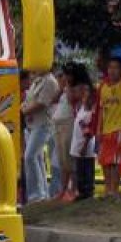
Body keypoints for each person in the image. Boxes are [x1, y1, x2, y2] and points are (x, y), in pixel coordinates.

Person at [97, 55, 121, 198]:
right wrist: (98, 130)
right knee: (106, 160)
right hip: (106, 129)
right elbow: (101, 110)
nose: (112, 70)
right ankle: (108, 190)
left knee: (116, 161)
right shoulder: (103, 87)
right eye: (110, 67)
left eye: (116, 68)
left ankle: (115, 190)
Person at [22, 69, 59, 203]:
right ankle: (42, 193)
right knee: (37, 158)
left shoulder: (49, 81)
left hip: (43, 124)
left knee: (29, 156)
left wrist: (24, 111)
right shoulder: (37, 81)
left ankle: (36, 195)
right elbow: (29, 100)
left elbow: (42, 103)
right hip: (33, 124)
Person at [49, 63, 78, 201]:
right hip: (58, 125)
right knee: (61, 159)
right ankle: (63, 189)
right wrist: (61, 87)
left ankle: (72, 189)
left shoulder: (75, 88)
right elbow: (52, 100)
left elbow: (73, 100)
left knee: (69, 157)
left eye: (65, 75)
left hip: (68, 123)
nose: (62, 77)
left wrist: (68, 86)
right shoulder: (63, 89)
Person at [70, 71, 99, 200]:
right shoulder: (80, 108)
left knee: (87, 168)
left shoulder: (90, 112)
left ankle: (88, 191)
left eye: (86, 91)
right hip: (77, 143)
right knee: (79, 169)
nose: (83, 93)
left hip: (85, 147)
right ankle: (81, 191)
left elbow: (89, 132)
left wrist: (84, 146)